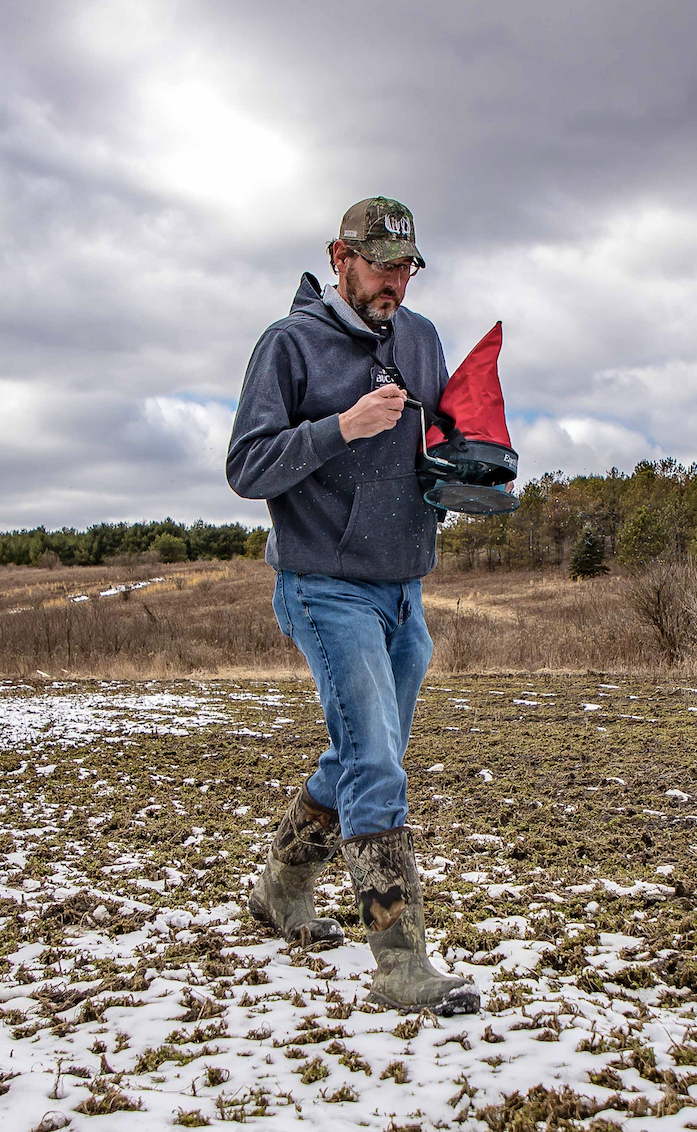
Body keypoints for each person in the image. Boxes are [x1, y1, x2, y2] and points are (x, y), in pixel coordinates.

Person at [226, 197, 479, 1016]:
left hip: (404, 587)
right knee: (377, 764)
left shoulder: (423, 339)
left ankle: (279, 890)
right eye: (380, 266)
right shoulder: (288, 345)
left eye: (406, 268)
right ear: (340, 256)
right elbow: (248, 466)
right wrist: (341, 427)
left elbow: (438, 441)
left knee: (360, 757)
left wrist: (473, 474)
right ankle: (401, 964)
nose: (394, 284)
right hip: (323, 585)